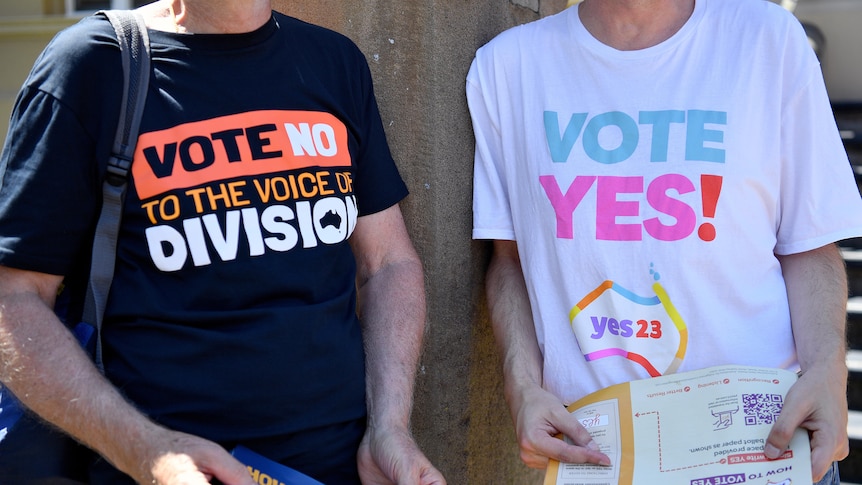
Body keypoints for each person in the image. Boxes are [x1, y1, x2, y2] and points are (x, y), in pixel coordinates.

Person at [0, 1, 446, 484]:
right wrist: (148, 451)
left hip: (338, 468)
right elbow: (13, 298)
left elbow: (387, 264)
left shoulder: (334, 62)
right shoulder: (94, 64)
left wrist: (389, 427)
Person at [467, 0, 862, 483]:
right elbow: (510, 259)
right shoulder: (506, 67)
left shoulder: (766, 38)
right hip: (603, 454)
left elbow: (808, 243)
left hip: (763, 442)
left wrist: (828, 371)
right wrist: (521, 386)